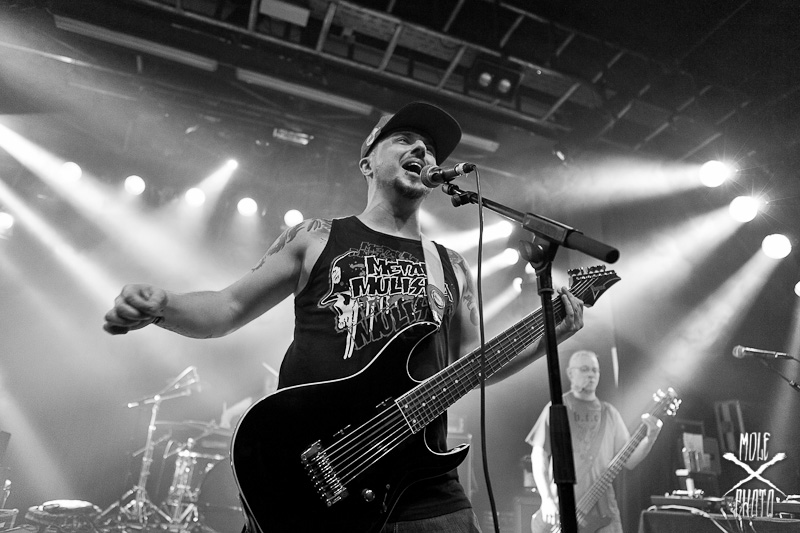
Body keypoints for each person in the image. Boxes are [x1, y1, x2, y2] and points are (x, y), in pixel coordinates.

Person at [103, 101, 586, 533]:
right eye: (404, 139)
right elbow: (227, 308)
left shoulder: (451, 264)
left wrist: (550, 334)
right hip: (310, 470)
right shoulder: (315, 237)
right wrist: (163, 304)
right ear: (367, 162)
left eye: (429, 148)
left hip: (423, 487)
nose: (422, 149)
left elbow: (472, 362)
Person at [525, 350, 662, 533]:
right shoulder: (557, 409)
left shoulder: (610, 413)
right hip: (563, 510)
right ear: (570, 373)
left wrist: (650, 438)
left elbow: (629, 460)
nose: (591, 374)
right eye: (584, 369)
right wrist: (547, 499)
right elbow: (539, 457)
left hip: (604, 512)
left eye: (595, 370)